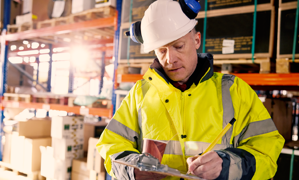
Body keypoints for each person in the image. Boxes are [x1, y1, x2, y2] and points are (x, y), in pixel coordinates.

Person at [96, 0, 285, 179]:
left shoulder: (235, 91)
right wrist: (133, 170)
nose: (170, 59)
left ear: (196, 40)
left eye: (178, 46)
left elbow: (267, 151)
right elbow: (110, 145)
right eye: (162, 51)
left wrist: (227, 165)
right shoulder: (140, 93)